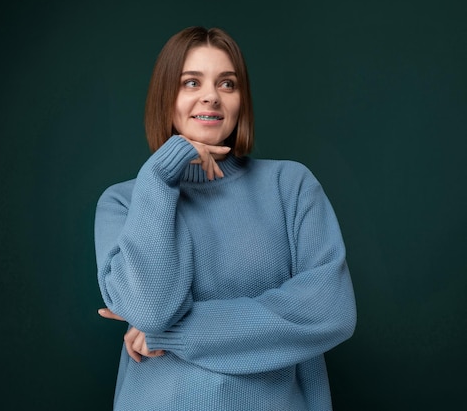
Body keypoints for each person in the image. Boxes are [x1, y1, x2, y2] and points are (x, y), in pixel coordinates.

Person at [94, 26, 356, 410]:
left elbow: (330, 310)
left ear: (241, 100)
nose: (211, 96)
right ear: (165, 97)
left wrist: (171, 332)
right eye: (191, 82)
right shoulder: (124, 202)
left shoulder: (290, 185)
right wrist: (160, 175)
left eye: (227, 84)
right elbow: (151, 308)